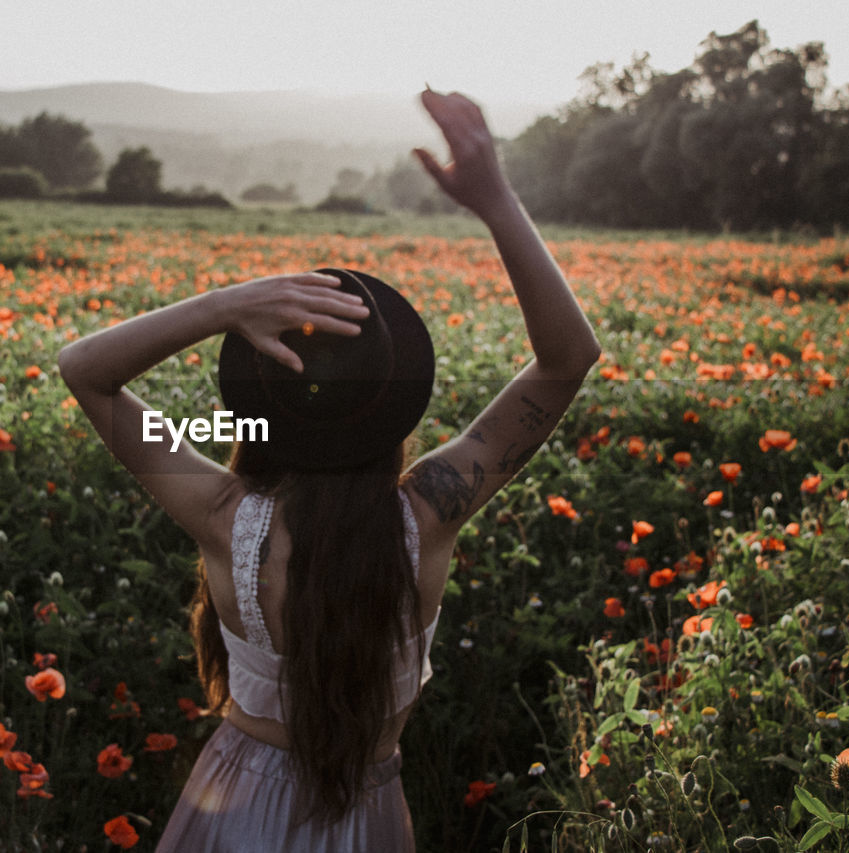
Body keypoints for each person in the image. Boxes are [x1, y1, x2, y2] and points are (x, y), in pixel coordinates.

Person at [58, 88, 601, 851]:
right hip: (370, 814)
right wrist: (494, 199)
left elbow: (84, 368)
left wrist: (225, 303)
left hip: (234, 801)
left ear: (258, 401)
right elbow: (568, 360)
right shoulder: (430, 515)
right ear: (393, 403)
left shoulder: (223, 516)